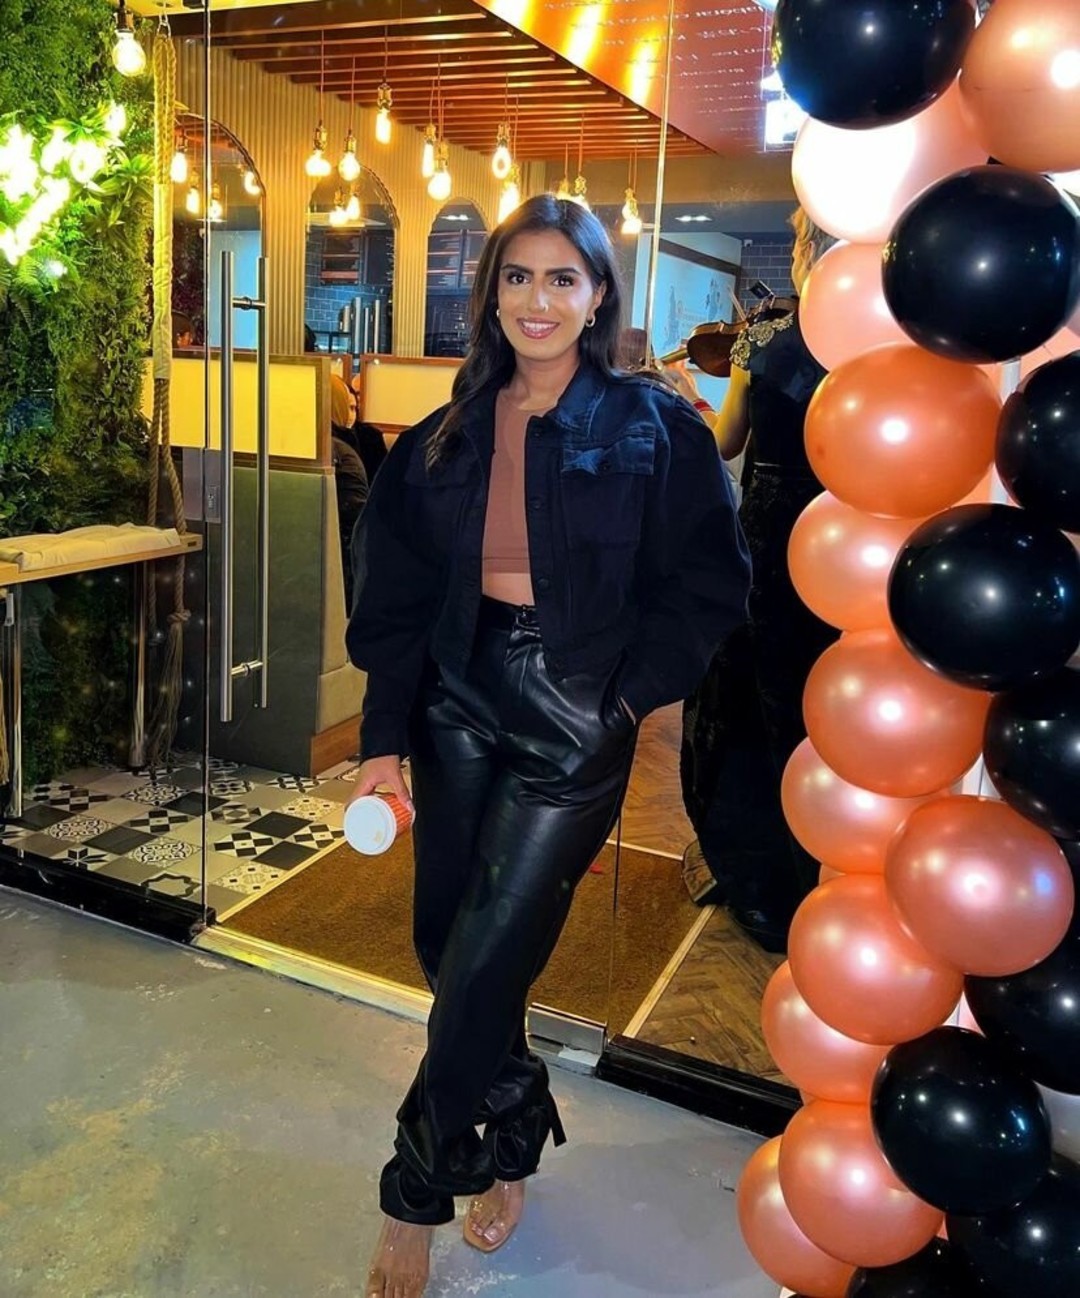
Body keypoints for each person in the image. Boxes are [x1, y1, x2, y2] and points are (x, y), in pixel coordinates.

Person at [345, 194, 750, 1298]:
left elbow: (711, 586)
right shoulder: (448, 431)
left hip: (575, 709)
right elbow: (395, 599)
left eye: (562, 278)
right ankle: (514, 1124)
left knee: (489, 952)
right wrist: (383, 740)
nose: (538, 300)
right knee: (451, 944)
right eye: (517, 277)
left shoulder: (654, 428)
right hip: (454, 693)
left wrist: (623, 699)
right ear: (492, 297)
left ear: (598, 294)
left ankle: (414, 1192)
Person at [672, 208, 839, 952]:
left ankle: (757, 880)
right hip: (851, 535)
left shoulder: (763, 338)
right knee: (818, 701)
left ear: (804, 248)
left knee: (745, 699)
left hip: (771, 528)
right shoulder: (883, 340)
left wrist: (685, 400)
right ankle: (828, 873)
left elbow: (726, 442)